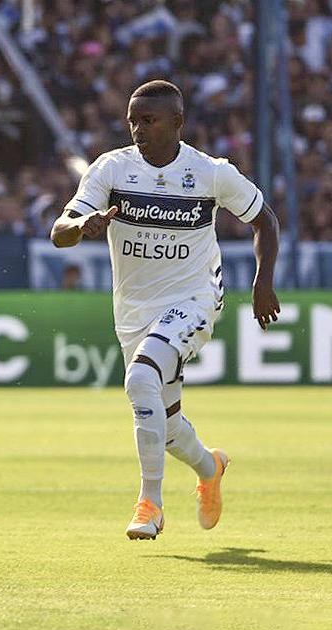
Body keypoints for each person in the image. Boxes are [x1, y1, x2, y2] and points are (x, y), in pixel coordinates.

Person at [50, 80, 280, 540]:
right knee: (168, 425)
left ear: (178, 123)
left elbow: (264, 221)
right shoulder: (111, 169)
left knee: (139, 380)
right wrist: (81, 225)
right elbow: (59, 231)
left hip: (194, 298)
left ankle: (150, 504)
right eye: (132, 120)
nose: (138, 129)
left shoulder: (211, 172)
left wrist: (263, 280)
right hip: (134, 309)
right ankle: (210, 467)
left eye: (149, 120)